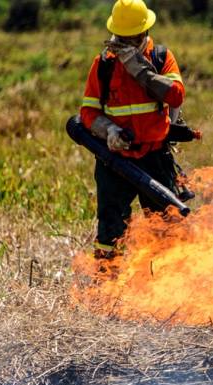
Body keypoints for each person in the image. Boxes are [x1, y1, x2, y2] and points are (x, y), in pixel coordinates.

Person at [79, 0, 185, 259]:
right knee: (110, 229)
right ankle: (105, 287)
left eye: (131, 37)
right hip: (115, 160)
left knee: (166, 226)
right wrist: (109, 130)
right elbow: (88, 113)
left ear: (144, 32)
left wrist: (139, 68)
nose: (125, 42)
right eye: (121, 37)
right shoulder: (104, 64)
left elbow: (176, 96)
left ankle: (169, 285)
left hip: (155, 157)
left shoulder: (160, 58)